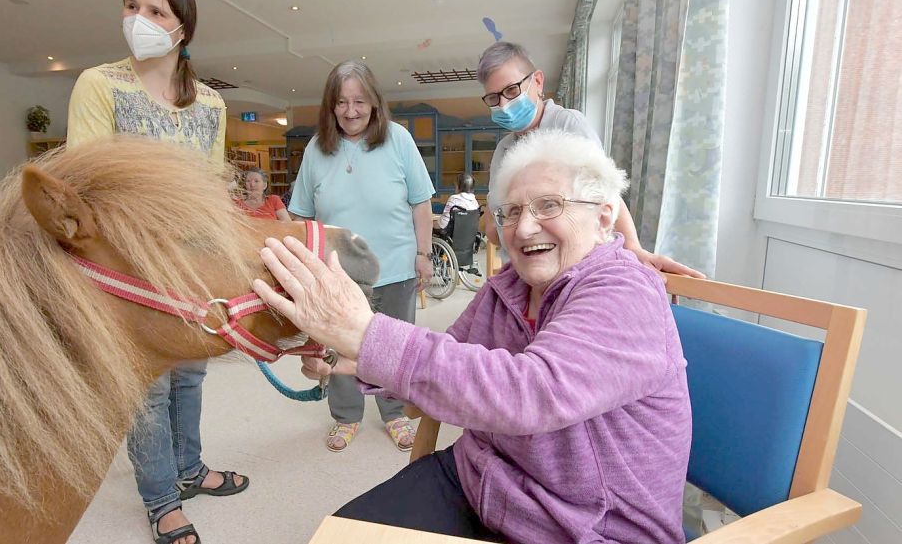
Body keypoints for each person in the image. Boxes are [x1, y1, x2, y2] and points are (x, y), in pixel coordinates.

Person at [254, 130, 692, 543]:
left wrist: (365, 332)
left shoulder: (625, 290)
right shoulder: (510, 287)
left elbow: (532, 393)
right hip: (483, 477)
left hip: (577, 526)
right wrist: (345, 355)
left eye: (548, 205)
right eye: (513, 212)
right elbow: (451, 358)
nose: (522, 229)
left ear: (604, 218)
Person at [66, 0, 245, 543]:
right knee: (147, 388)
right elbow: (86, 185)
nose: (137, 20)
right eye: (130, 5)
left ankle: (190, 469)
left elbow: (211, 190)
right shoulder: (99, 85)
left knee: (190, 375)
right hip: (130, 269)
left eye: (155, 11)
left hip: (191, 267)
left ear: (182, 30)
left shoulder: (210, 104)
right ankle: (162, 499)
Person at [288, 60, 435, 453]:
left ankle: (395, 412)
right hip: (338, 272)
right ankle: (346, 415)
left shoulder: (399, 139)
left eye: (359, 101)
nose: (351, 111)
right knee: (337, 344)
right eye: (341, 102)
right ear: (330, 106)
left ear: (374, 103)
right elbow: (299, 211)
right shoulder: (317, 149)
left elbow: (422, 203)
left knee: (395, 345)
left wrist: (422, 254)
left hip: (396, 265)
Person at [478, 41, 704, 279]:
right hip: (522, 271)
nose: (504, 105)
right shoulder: (503, 150)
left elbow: (604, 191)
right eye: (493, 98)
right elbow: (495, 222)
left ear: (537, 81)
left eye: (512, 91)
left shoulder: (567, 125)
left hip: (569, 272)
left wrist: (633, 249)